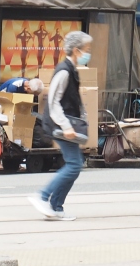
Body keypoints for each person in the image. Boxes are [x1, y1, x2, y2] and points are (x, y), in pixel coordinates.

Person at [29, 30, 94, 221]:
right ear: (76, 50)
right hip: (60, 125)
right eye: (86, 49)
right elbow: (53, 101)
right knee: (74, 165)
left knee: (75, 164)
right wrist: (66, 126)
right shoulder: (64, 71)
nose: (88, 53)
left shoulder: (71, 69)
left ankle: (56, 207)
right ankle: (43, 196)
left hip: (66, 124)